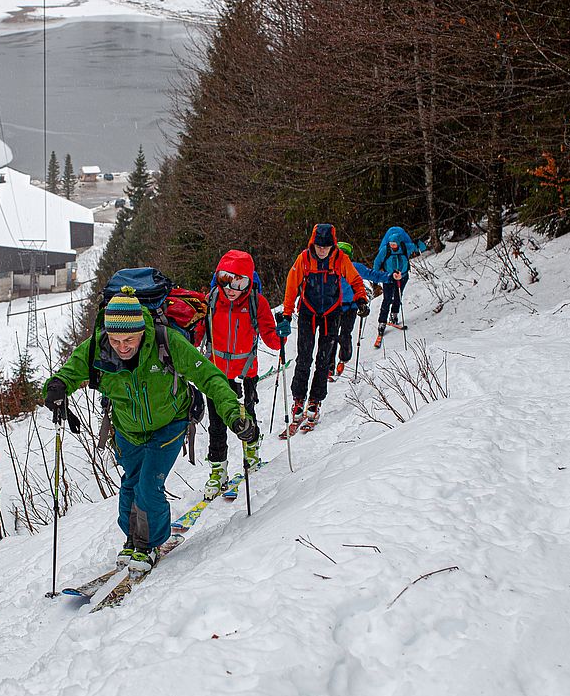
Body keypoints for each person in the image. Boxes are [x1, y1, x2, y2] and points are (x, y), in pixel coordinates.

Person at [43, 287, 258, 572]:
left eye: (129, 339)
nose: (122, 346)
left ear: (142, 330)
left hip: (169, 425)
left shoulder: (166, 342)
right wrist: (56, 388)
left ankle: (150, 544)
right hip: (127, 430)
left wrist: (234, 413)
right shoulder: (97, 347)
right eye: (116, 339)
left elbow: (210, 377)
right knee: (130, 485)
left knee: (148, 485)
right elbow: (69, 373)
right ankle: (133, 540)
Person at [202, 250, 285, 499]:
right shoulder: (212, 300)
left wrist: (280, 334)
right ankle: (218, 470)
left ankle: (251, 451)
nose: (232, 288)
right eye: (227, 279)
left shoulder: (256, 303)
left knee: (247, 414)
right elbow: (199, 333)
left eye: (240, 282)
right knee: (216, 423)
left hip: (246, 371)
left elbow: (271, 339)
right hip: (215, 373)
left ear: (249, 282)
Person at [281, 224, 369, 433]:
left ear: (332, 245)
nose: (322, 250)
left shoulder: (340, 259)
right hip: (308, 312)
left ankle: (315, 400)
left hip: (332, 312)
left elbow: (355, 280)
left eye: (326, 247)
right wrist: (286, 312)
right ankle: (298, 398)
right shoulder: (304, 259)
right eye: (319, 246)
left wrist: (361, 299)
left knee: (323, 358)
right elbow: (291, 285)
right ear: (313, 243)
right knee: (304, 357)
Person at [334, 241, 396, 369]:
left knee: (340, 334)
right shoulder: (331, 269)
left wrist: (390, 277)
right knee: (336, 335)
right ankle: (332, 364)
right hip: (335, 306)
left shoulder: (354, 267)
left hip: (350, 306)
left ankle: (342, 359)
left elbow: (373, 275)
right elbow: (373, 274)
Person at [371, 226, 427, 343]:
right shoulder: (385, 250)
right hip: (389, 277)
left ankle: (394, 314)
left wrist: (418, 241)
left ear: (399, 243)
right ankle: (382, 322)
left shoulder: (405, 247)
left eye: (394, 244)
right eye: (391, 243)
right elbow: (377, 262)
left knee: (398, 296)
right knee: (387, 298)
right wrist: (375, 279)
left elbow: (422, 248)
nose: (392, 245)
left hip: (403, 276)